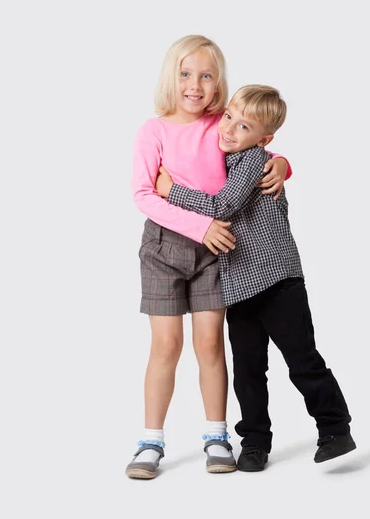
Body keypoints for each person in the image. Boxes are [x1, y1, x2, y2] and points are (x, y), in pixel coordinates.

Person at [156, 84, 356, 472]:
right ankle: (255, 441)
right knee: (249, 368)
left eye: (243, 126)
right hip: (238, 285)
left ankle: (335, 427)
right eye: (228, 117)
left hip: (278, 280)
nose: (229, 130)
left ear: (263, 139)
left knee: (301, 359)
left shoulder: (252, 161)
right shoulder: (223, 153)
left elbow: (221, 205)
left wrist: (169, 189)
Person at [126, 36, 291, 479]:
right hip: (164, 248)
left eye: (206, 75)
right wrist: (200, 226)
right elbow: (144, 193)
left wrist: (282, 163)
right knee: (166, 345)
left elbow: (254, 148)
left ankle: (217, 435)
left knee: (210, 344)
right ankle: (150, 441)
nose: (194, 85)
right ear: (171, 78)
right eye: (185, 74)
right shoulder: (154, 130)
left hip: (217, 253)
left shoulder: (221, 124)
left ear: (218, 84)